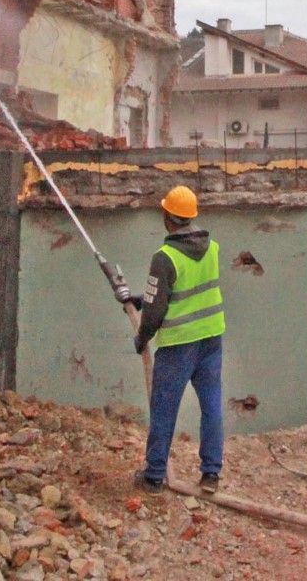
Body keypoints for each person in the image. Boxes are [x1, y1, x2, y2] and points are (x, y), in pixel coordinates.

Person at [125, 184, 225, 495]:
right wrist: (145, 299)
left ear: (168, 216)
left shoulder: (164, 257)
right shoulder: (213, 248)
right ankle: (211, 474)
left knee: (164, 407)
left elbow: (156, 312)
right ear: (192, 217)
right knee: (212, 405)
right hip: (211, 338)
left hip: (179, 344)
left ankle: (154, 476)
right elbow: (186, 291)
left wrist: (142, 338)